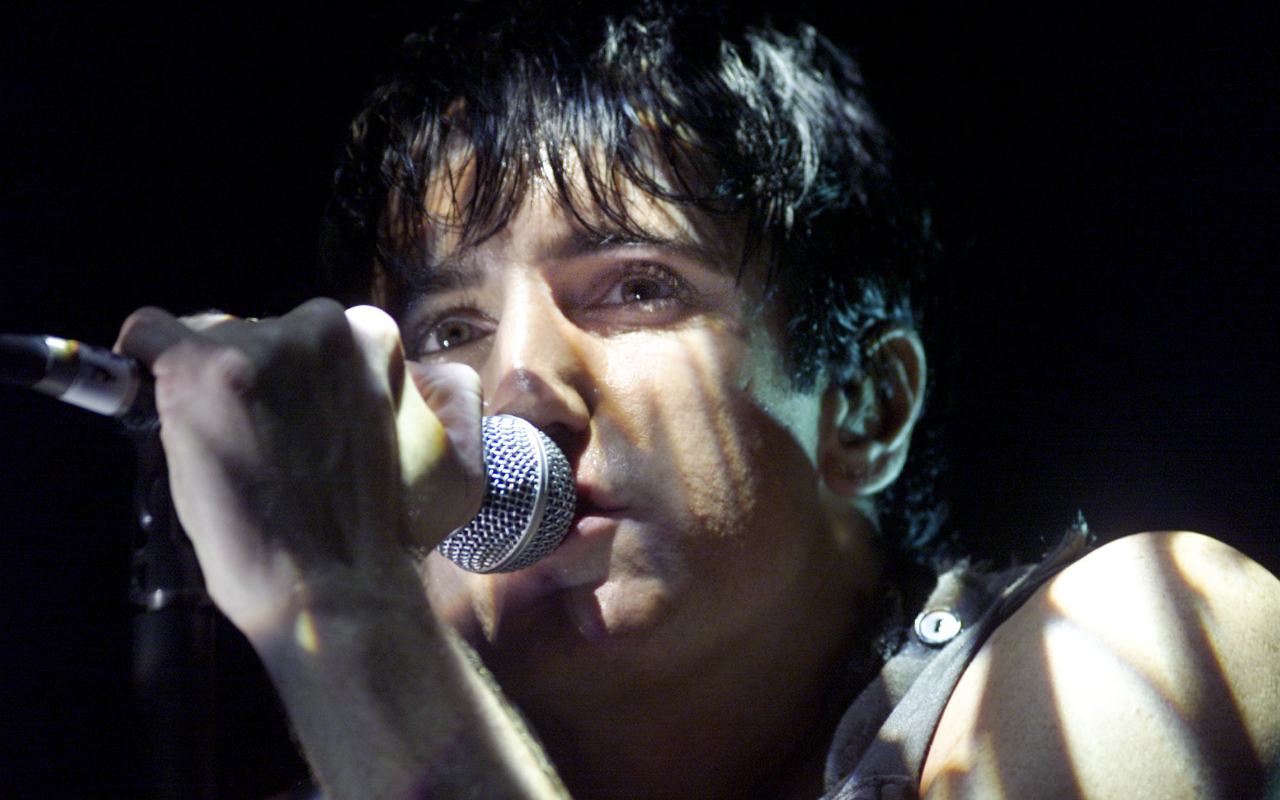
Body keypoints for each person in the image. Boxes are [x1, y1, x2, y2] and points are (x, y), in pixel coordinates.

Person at [114, 1, 1280, 798]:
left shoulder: (1129, 647)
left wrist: (347, 603)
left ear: (865, 406)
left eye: (634, 287)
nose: (517, 384)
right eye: (448, 329)